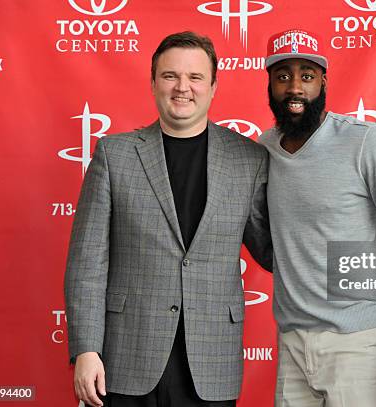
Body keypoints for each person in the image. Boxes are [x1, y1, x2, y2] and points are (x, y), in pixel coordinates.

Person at [64, 31, 271, 407]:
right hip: (125, 358)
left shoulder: (248, 159)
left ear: (213, 86)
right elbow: (86, 263)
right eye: (170, 76)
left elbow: (272, 251)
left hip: (212, 362)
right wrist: (86, 350)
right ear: (153, 82)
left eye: (195, 78)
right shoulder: (114, 155)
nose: (182, 88)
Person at [259, 29, 376, 407]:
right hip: (292, 345)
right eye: (283, 75)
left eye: (307, 75)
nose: (295, 88)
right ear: (269, 82)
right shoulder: (264, 149)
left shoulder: (365, 142)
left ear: (323, 82)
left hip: (360, 344)